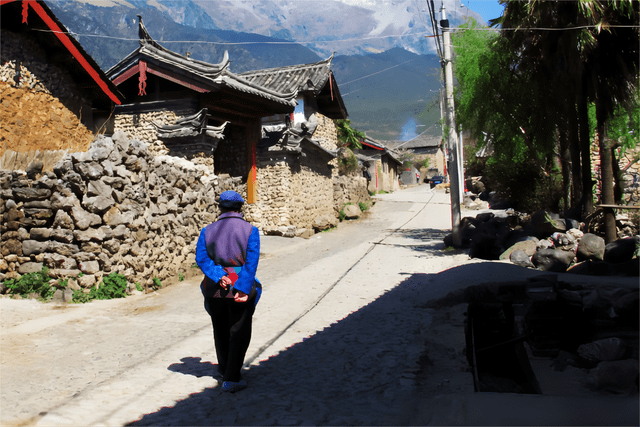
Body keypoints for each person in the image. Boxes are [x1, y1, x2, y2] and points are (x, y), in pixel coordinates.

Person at [195, 190, 262, 393]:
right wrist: (241, 287)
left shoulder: (207, 231)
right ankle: (232, 378)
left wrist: (218, 275)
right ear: (240, 208)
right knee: (239, 330)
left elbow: (202, 258)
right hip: (240, 286)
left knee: (220, 328)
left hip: (215, 288)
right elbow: (251, 263)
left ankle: (224, 369)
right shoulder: (251, 230)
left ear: (220, 208)